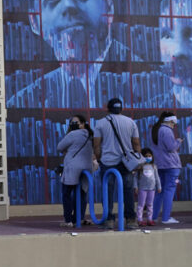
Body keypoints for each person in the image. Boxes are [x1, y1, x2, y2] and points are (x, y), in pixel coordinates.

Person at [9, 0, 140, 109]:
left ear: (108, 6)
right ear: (34, 22)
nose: (68, 5)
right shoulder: (22, 103)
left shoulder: (154, 87)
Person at [93, 98, 141, 230]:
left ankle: (108, 220)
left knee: (107, 191)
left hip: (108, 162)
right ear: (122, 109)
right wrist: (137, 160)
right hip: (126, 163)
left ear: (107, 108)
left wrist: (98, 158)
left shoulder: (101, 123)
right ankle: (131, 219)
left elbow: (96, 145)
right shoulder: (130, 122)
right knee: (128, 191)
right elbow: (136, 143)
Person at [56, 115, 94, 228]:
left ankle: (68, 220)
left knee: (67, 194)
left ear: (83, 123)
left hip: (73, 167)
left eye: (76, 123)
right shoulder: (91, 134)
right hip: (87, 167)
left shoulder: (72, 134)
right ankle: (79, 218)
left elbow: (59, 147)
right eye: (72, 123)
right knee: (82, 194)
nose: (74, 125)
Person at [150, 112, 183, 224]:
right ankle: (166, 218)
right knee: (169, 190)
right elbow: (171, 147)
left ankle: (153, 216)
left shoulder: (156, 130)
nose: (174, 125)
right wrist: (178, 141)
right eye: (173, 123)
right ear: (170, 121)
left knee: (159, 191)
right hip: (171, 165)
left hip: (160, 165)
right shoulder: (167, 130)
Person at [133, 148, 161, 227]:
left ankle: (149, 219)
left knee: (150, 204)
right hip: (142, 188)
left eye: (149, 156)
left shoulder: (154, 166)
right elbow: (135, 177)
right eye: (146, 156)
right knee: (141, 205)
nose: (148, 157)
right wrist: (135, 187)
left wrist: (159, 186)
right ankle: (139, 219)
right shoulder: (140, 167)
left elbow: (157, 177)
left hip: (152, 189)